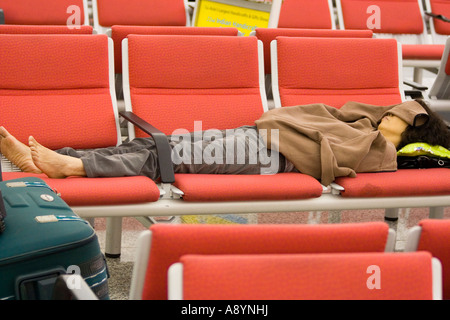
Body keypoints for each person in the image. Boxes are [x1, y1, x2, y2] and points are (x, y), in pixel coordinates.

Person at [1, 99, 449, 185]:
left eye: (398, 115)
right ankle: (60, 158)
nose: (387, 112)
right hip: (260, 139)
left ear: (414, 127)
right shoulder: (366, 125)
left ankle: (72, 168)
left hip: (278, 157)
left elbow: (342, 152)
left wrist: (403, 124)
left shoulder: (382, 150)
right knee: (161, 144)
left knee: (167, 159)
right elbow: (341, 112)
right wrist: (377, 116)